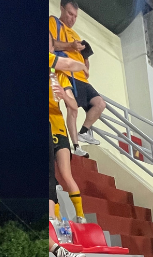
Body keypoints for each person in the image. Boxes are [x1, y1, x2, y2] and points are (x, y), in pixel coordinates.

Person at [51, 2, 106, 153]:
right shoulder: (54, 22)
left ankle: (84, 132)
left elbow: (84, 56)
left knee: (100, 103)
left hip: (82, 78)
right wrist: (71, 46)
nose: (72, 19)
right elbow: (52, 44)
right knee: (72, 109)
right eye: (69, 14)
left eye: (75, 16)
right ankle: (75, 146)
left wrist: (86, 65)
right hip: (68, 73)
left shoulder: (76, 35)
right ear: (62, 9)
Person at [50, 73, 86, 222]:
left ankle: (81, 216)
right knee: (50, 178)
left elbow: (73, 105)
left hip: (58, 130)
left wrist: (64, 94)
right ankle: (56, 219)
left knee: (66, 174)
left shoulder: (59, 76)